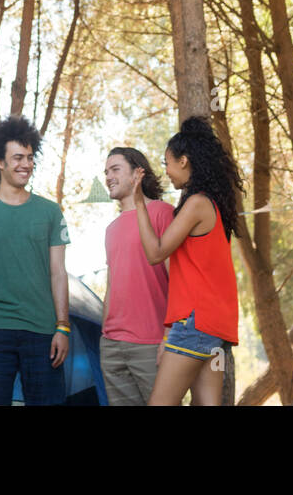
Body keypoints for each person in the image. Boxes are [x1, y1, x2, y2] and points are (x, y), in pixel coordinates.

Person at [0, 115, 70, 406]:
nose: (26, 164)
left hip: (44, 331)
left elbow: (59, 273)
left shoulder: (50, 212)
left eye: (30, 158)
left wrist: (62, 327)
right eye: (18, 157)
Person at [133, 116, 242, 406]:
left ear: (184, 161)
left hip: (195, 322)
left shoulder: (196, 205)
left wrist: (139, 204)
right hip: (213, 326)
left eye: (167, 162)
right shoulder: (211, 204)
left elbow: (156, 253)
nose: (166, 171)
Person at [100, 147, 174, 406]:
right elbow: (112, 286)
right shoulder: (111, 229)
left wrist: (169, 336)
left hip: (152, 343)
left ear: (137, 173)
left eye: (115, 169)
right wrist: (104, 334)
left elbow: (177, 278)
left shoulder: (163, 213)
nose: (108, 176)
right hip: (111, 345)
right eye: (106, 172)